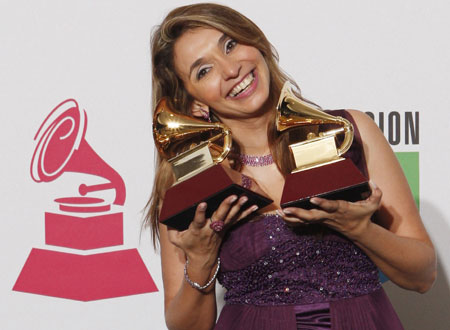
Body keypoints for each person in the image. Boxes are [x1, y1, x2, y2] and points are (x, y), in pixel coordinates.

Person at [145, 3, 436, 329]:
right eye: (204, 70)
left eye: (230, 45)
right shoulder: (190, 183)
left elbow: (423, 276)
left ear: (253, 40)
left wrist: (360, 230)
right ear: (193, 99)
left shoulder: (349, 133)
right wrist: (200, 260)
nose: (231, 69)